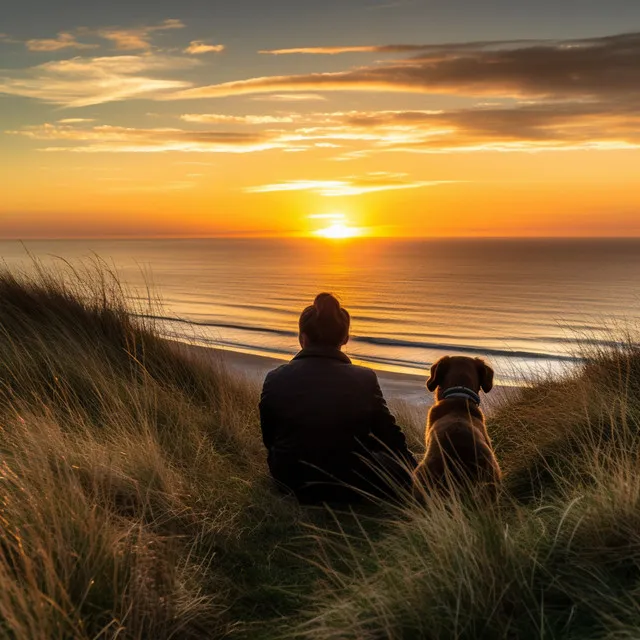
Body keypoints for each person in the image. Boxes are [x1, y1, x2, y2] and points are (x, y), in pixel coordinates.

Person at [259, 292, 416, 503]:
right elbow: (390, 436)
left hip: (289, 479)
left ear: (302, 338)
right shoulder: (364, 379)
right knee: (397, 466)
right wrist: (413, 469)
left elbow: (270, 438)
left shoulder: (275, 378)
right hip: (350, 483)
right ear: (345, 338)